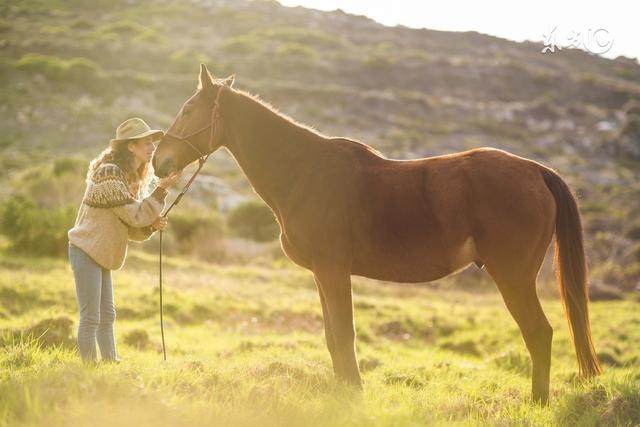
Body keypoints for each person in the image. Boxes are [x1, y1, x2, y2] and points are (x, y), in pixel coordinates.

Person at [67, 117, 182, 364]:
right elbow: (136, 215)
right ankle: (90, 369)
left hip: (101, 252)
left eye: (153, 142)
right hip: (86, 250)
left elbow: (132, 224)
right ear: (130, 146)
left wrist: (151, 225)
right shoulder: (109, 173)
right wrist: (160, 191)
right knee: (91, 317)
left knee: (107, 314)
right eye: (146, 142)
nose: (152, 147)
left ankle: (110, 363)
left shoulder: (130, 177)